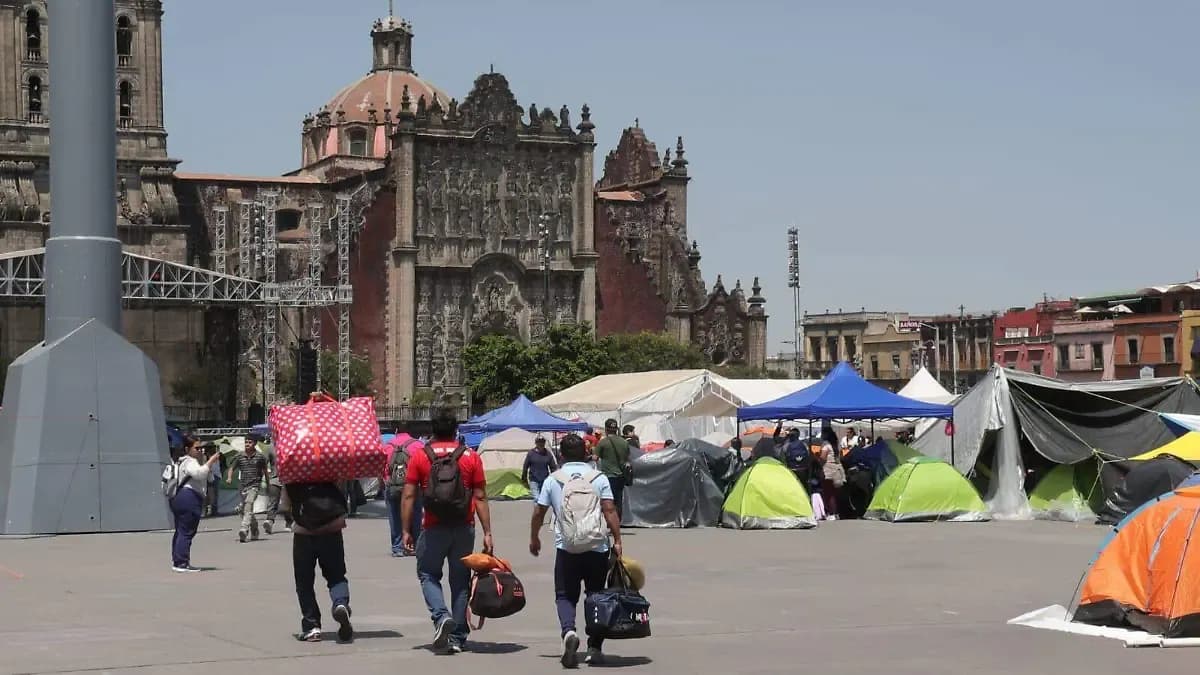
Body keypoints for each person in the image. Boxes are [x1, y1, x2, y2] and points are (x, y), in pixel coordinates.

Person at [402, 413, 493, 654]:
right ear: (456, 431)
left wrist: (405, 530)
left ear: (432, 430)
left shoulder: (420, 456)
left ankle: (441, 616)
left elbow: (409, 495)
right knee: (460, 581)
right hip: (464, 527)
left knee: (427, 574)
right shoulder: (471, 457)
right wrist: (487, 532)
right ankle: (457, 638)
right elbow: (480, 496)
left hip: (433, 527)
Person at [530, 433, 623, 668]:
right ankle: (594, 647)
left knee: (564, 595)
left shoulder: (554, 479)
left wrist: (534, 538)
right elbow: (609, 509)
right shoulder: (598, 477)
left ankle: (569, 632)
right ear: (586, 453)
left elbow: (539, 512)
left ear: (561, 455)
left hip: (567, 548)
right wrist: (618, 540)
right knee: (596, 596)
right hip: (597, 547)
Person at [286, 481, 354, 643]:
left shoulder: (294, 466)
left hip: (303, 532)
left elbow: (286, 500)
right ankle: (340, 603)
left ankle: (311, 626)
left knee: (304, 582)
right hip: (332, 529)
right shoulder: (331, 463)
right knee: (336, 576)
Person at [170, 436, 221, 572]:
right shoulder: (189, 461)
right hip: (189, 497)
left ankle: (178, 560)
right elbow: (199, 474)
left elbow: (208, 478)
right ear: (187, 449)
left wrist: (206, 463)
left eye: (201, 448)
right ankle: (182, 563)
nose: (200, 450)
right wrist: (211, 461)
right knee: (187, 531)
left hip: (179, 497)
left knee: (181, 530)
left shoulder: (183, 461)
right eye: (197, 448)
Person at [383, 433, 424, 557]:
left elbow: (383, 467)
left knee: (394, 517)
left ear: (396, 431)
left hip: (392, 486)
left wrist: (385, 481)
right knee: (416, 514)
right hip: (412, 486)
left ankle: (397, 547)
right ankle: (416, 545)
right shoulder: (418, 445)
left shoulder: (387, 446)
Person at [228, 434, 269, 542]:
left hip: (254, 486)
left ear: (255, 443)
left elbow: (265, 471)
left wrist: (268, 485)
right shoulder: (240, 456)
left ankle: (244, 529)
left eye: (250, 442)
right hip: (243, 486)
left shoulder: (260, 457)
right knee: (245, 510)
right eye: (246, 442)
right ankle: (255, 530)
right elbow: (232, 468)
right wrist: (229, 478)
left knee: (248, 505)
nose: (247, 444)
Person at [593, 419, 630, 521]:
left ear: (606, 429)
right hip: (621, 475)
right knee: (618, 499)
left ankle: (610, 521)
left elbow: (595, 458)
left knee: (608, 500)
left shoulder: (603, 442)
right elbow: (627, 458)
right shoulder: (624, 442)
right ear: (616, 429)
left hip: (608, 475)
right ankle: (618, 520)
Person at [263, 442, 292, 534]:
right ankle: (270, 521)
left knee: (286, 505)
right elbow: (264, 463)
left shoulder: (290, 445)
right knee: (272, 502)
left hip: (288, 479)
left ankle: (289, 522)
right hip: (274, 479)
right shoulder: (270, 447)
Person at [522, 436, 558, 502]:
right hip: (533, 479)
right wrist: (524, 478)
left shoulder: (548, 454)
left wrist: (554, 479)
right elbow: (525, 466)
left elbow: (553, 467)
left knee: (543, 498)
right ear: (536, 443)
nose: (541, 444)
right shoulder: (531, 453)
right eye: (539, 442)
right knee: (537, 498)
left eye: (542, 442)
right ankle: (537, 511)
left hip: (544, 479)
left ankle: (540, 511)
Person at [820, 429, 843, 519]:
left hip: (828, 469)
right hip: (837, 469)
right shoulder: (836, 445)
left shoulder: (826, 444)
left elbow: (823, 457)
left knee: (828, 493)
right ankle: (836, 512)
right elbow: (840, 457)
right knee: (834, 493)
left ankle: (831, 513)